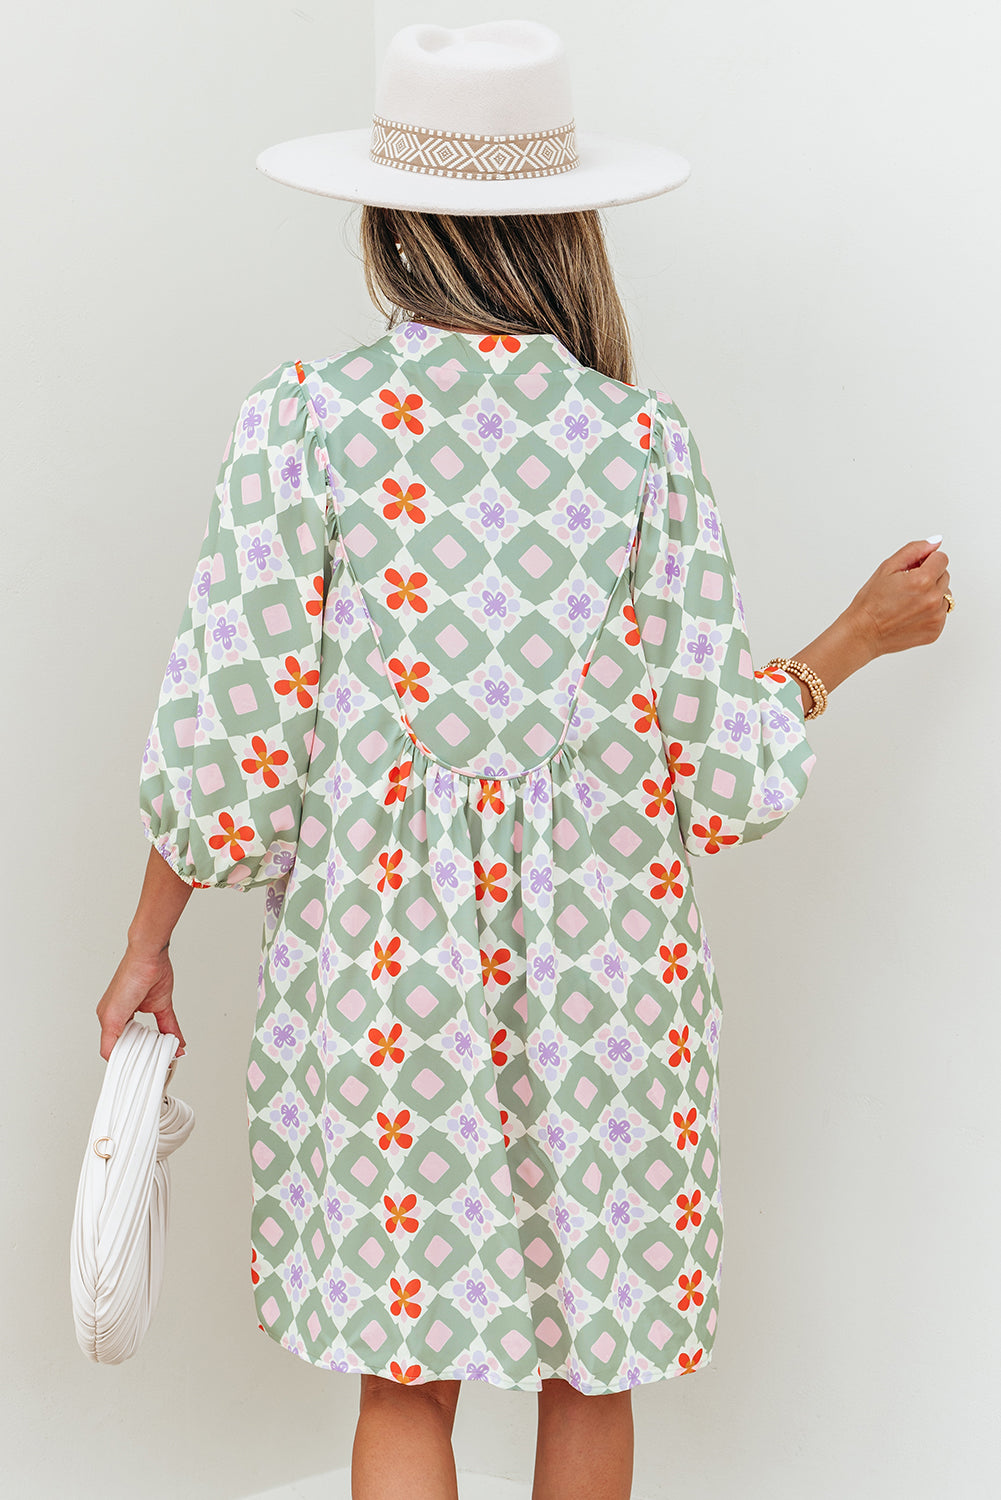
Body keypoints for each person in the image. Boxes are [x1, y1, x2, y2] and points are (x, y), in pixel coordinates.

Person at [96, 20, 953, 1500]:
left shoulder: (307, 424)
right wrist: (852, 642)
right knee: (591, 1365)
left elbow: (229, 742)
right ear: (567, 228)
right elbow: (716, 770)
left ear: (390, 222)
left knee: (404, 1375)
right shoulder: (639, 446)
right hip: (610, 984)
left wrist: (146, 946)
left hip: (378, 983)